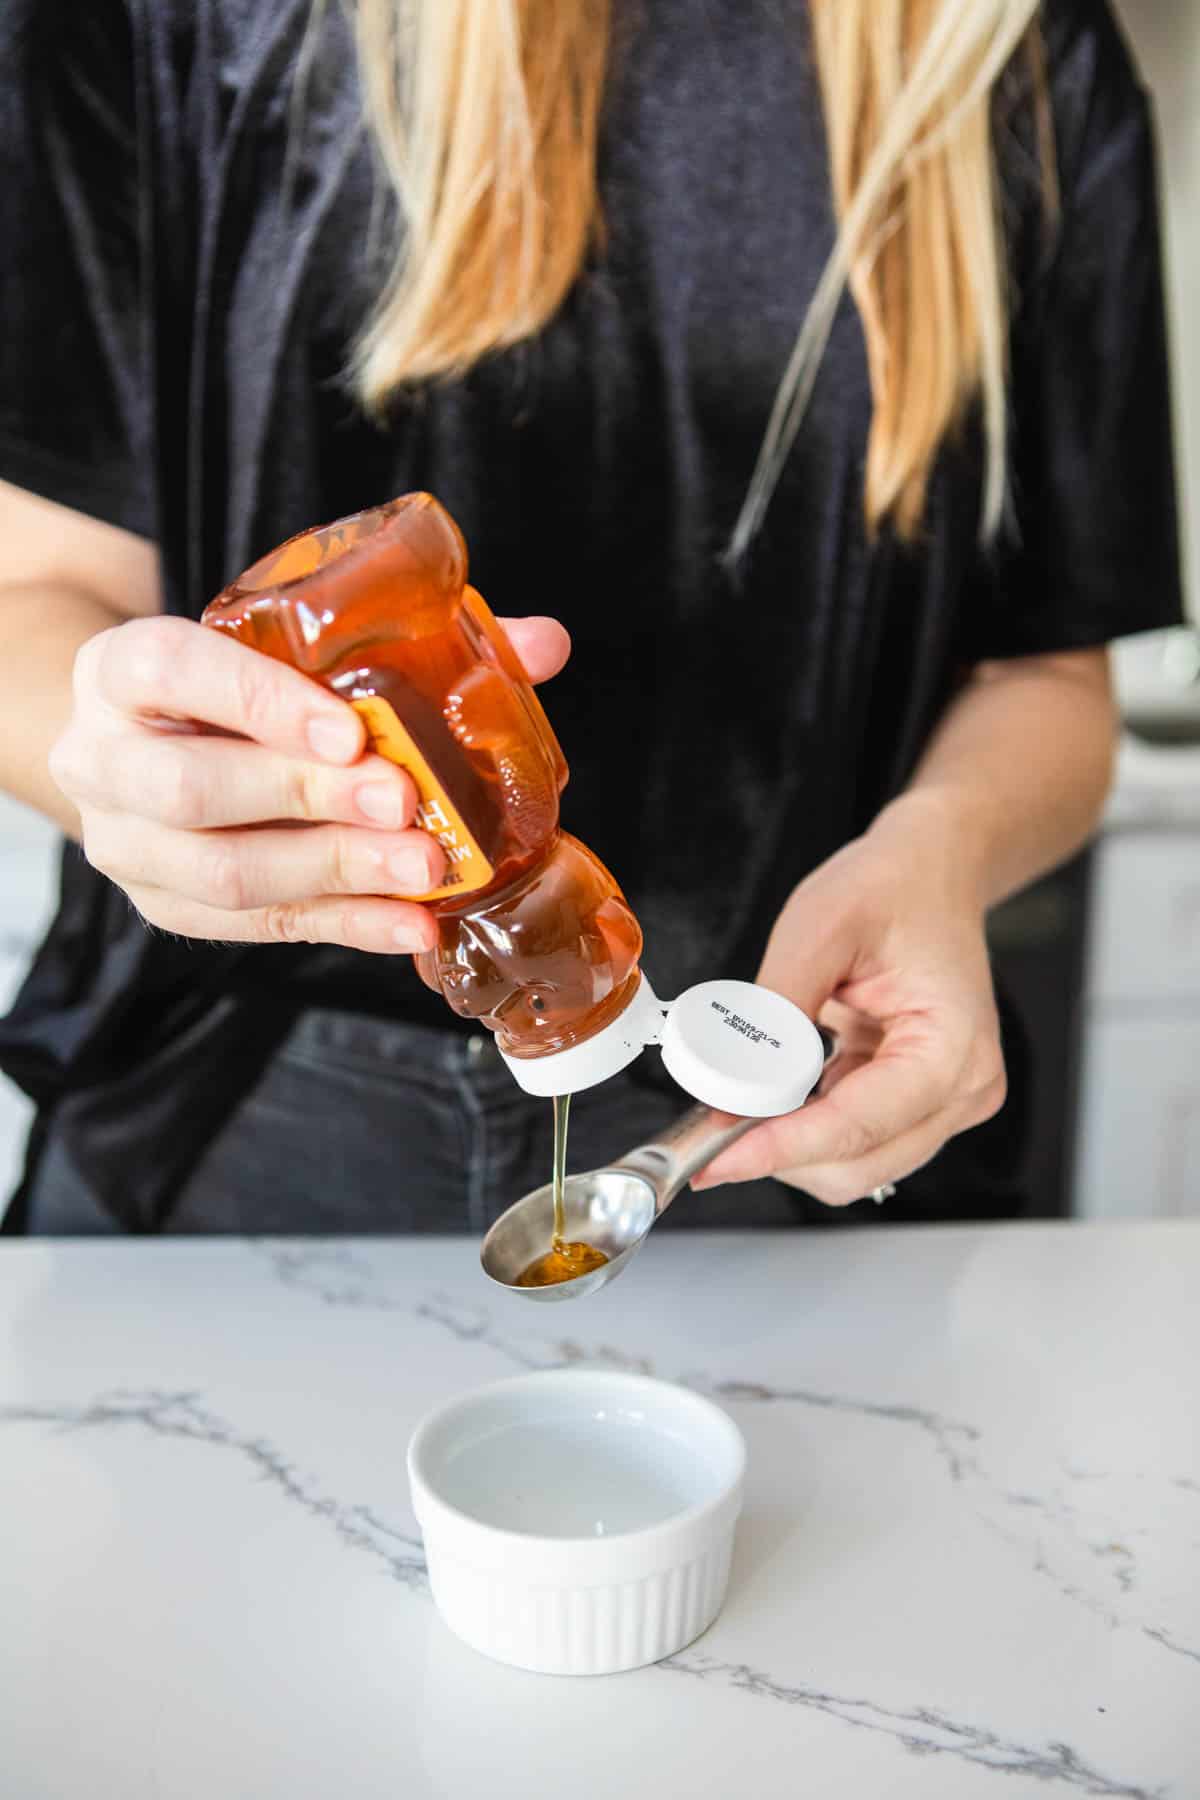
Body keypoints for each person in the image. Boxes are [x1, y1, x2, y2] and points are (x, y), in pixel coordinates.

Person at [0, 0, 1182, 1236]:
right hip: (231, 1100)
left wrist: (943, 841)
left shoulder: (1017, 53)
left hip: (775, 1118)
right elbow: (33, 596)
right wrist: (134, 782)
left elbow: (1048, 673)